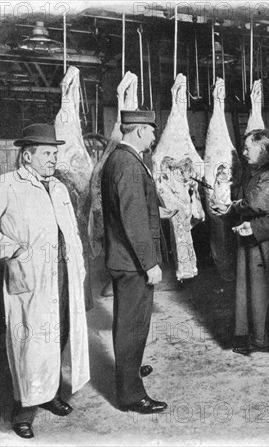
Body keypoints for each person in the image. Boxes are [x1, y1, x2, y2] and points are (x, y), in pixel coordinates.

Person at [0, 124, 90, 439]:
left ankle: (49, 396)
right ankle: (22, 412)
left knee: (60, 334)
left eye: (54, 153)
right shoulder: (4, 185)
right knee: (30, 347)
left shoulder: (59, 188)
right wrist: (12, 251)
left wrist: (77, 264)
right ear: (26, 156)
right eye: (47, 153)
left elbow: (70, 232)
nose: (53, 159)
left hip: (63, 276)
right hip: (32, 278)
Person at [101, 110, 167, 414]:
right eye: (152, 131)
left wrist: (158, 209)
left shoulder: (122, 159)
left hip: (126, 258)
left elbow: (135, 207)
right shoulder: (127, 162)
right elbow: (133, 219)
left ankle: (130, 372)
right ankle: (130, 395)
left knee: (132, 324)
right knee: (132, 326)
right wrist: (149, 262)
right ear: (140, 131)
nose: (155, 137)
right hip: (132, 262)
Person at [212, 129, 269, 368]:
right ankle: (259, 339)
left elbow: (255, 204)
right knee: (253, 292)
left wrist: (233, 206)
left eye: (248, 148)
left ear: (263, 149)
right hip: (254, 240)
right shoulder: (256, 172)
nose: (244, 152)